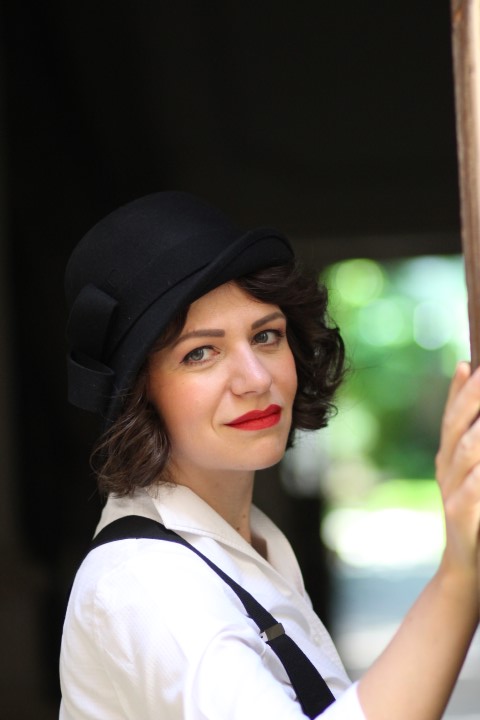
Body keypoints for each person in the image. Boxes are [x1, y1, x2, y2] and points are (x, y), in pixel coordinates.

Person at [60, 191, 480, 719]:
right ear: (139, 394)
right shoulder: (147, 582)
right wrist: (458, 578)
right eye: (200, 352)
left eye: (265, 336)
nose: (256, 379)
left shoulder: (245, 543)